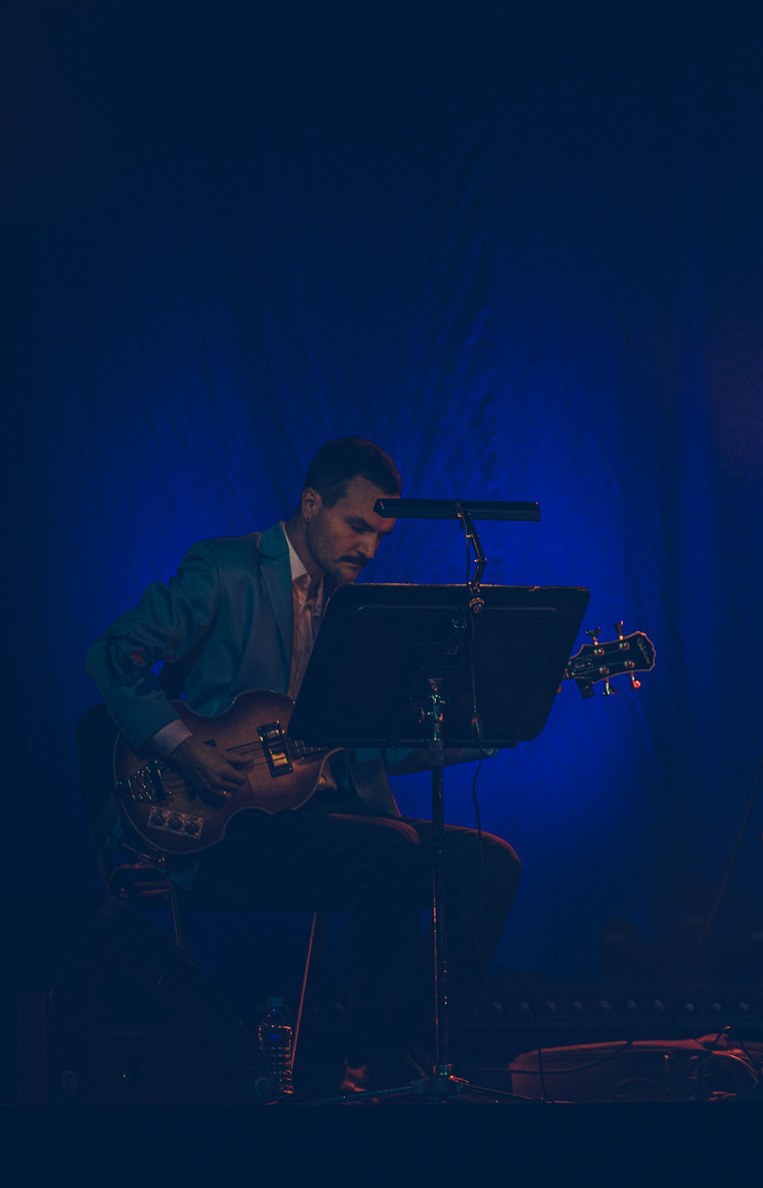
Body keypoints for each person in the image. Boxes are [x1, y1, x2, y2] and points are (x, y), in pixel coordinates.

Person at [86, 436, 521, 1088]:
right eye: (356, 526)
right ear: (311, 503)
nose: (369, 549)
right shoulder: (225, 570)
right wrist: (182, 746)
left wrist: (496, 724)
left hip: (325, 820)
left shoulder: (351, 609)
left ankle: (417, 1043)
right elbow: (112, 654)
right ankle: (376, 1060)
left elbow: (379, 743)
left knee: (490, 864)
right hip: (224, 821)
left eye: (381, 536)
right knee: (392, 849)